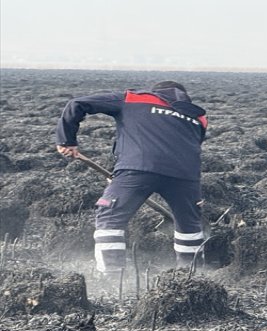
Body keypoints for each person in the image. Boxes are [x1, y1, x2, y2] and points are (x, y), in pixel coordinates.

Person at [55, 81, 208, 275]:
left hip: (137, 168)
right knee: (190, 227)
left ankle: (112, 277)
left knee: (109, 218)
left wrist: (66, 140)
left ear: (156, 92)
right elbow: (179, 145)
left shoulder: (134, 98)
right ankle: (192, 277)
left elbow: (77, 103)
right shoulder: (198, 116)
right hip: (186, 174)